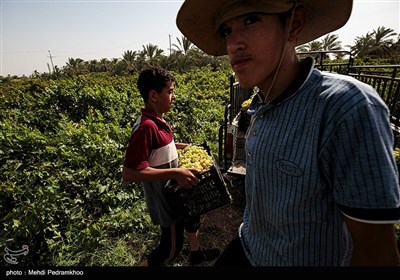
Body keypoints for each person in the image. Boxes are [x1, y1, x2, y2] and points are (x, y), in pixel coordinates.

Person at [176, 0, 400, 266]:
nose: (233, 44)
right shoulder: (258, 105)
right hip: (249, 246)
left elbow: (376, 253)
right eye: (226, 30)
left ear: (294, 24)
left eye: (250, 20)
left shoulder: (345, 107)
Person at [122, 66, 219, 266]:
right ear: (153, 96)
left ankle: (196, 255)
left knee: (190, 222)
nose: (174, 96)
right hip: (165, 202)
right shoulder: (145, 127)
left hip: (176, 196)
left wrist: (180, 146)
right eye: (170, 91)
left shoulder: (158, 120)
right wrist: (176, 171)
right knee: (170, 250)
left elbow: (158, 149)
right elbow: (130, 173)